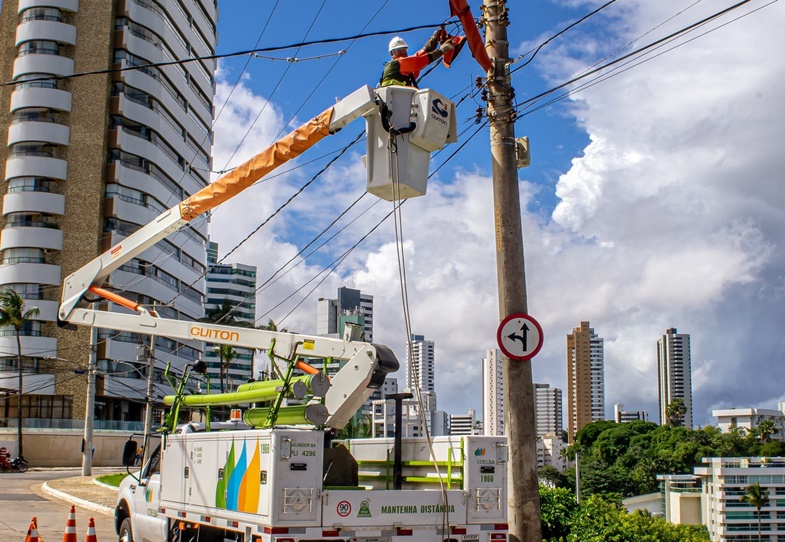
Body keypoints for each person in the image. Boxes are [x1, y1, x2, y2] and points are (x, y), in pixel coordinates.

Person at [380, 30, 454, 88]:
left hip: (398, 100)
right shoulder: (394, 65)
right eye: (399, 50)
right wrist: (440, 51)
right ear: (392, 54)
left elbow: (418, 58)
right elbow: (417, 62)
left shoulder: (405, 71)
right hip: (393, 99)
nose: (403, 53)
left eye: (404, 50)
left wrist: (433, 41)